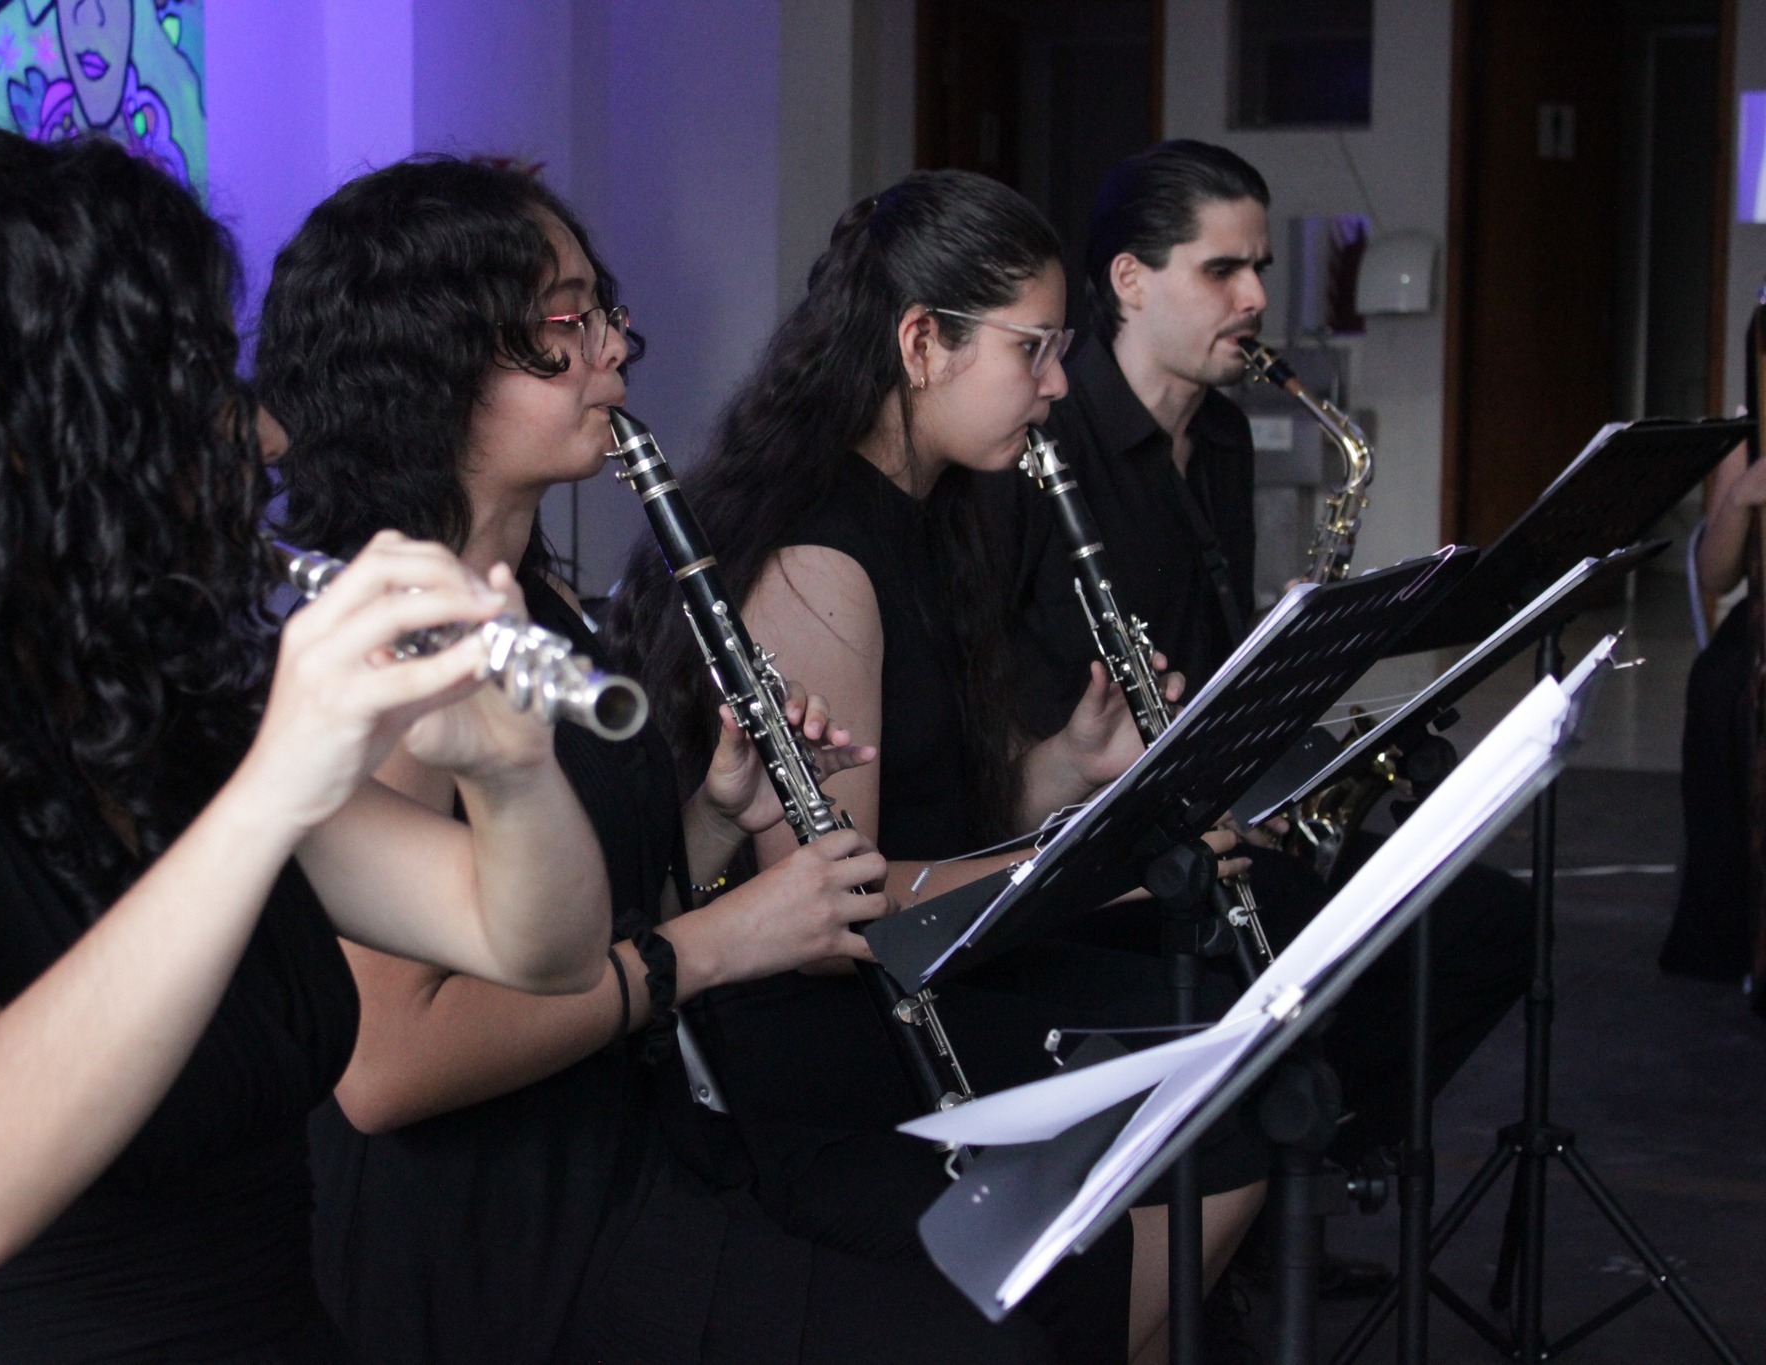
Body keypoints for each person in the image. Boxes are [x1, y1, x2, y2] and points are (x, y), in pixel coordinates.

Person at [0, 127, 611, 1364]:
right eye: (197, 385)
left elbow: (540, 944)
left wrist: (505, 769)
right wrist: (271, 789)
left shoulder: (151, 727)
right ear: (30, 443)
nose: (264, 438)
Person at [257, 155, 1136, 1364]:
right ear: (435, 366)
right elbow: (390, 1068)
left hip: (634, 1139)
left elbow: (569, 912)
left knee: (1060, 1271)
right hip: (490, 1232)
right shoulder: (391, 635)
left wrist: (716, 824)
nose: (617, 347)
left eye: (601, 311)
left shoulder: (540, 604)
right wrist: (719, 942)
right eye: (567, 323)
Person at [609, 167, 1268, 1365]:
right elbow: (842, 909)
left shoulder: (941, 509)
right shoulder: (818, 563)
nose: (1059, 385)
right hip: (820, 1037)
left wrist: (1065, 771)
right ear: (920, 343)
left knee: (1228, 1046)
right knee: (1207, 1092)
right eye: (1035, 350)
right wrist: (1102, 862)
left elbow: (937, 804)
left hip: (932, 971)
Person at [991, 139, 1535, 1170]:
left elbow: (1209, 656)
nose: (1251, 296)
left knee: (1488, 923)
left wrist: (1291, 658)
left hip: (1218, 819)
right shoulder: (1037, 447)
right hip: (1091, 851)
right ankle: (1250, 1198)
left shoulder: (1226, 440)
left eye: (1259, 271)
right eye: (1220, 270)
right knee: (1302, 941)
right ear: (1128, 281)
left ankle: (1307, 1171)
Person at [1661, 434, 1766, 990]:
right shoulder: (1751, 432)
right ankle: (1728, 932)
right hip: (1761, 612)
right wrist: (1743, 498)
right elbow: (1715, 576)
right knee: (1720, 687)